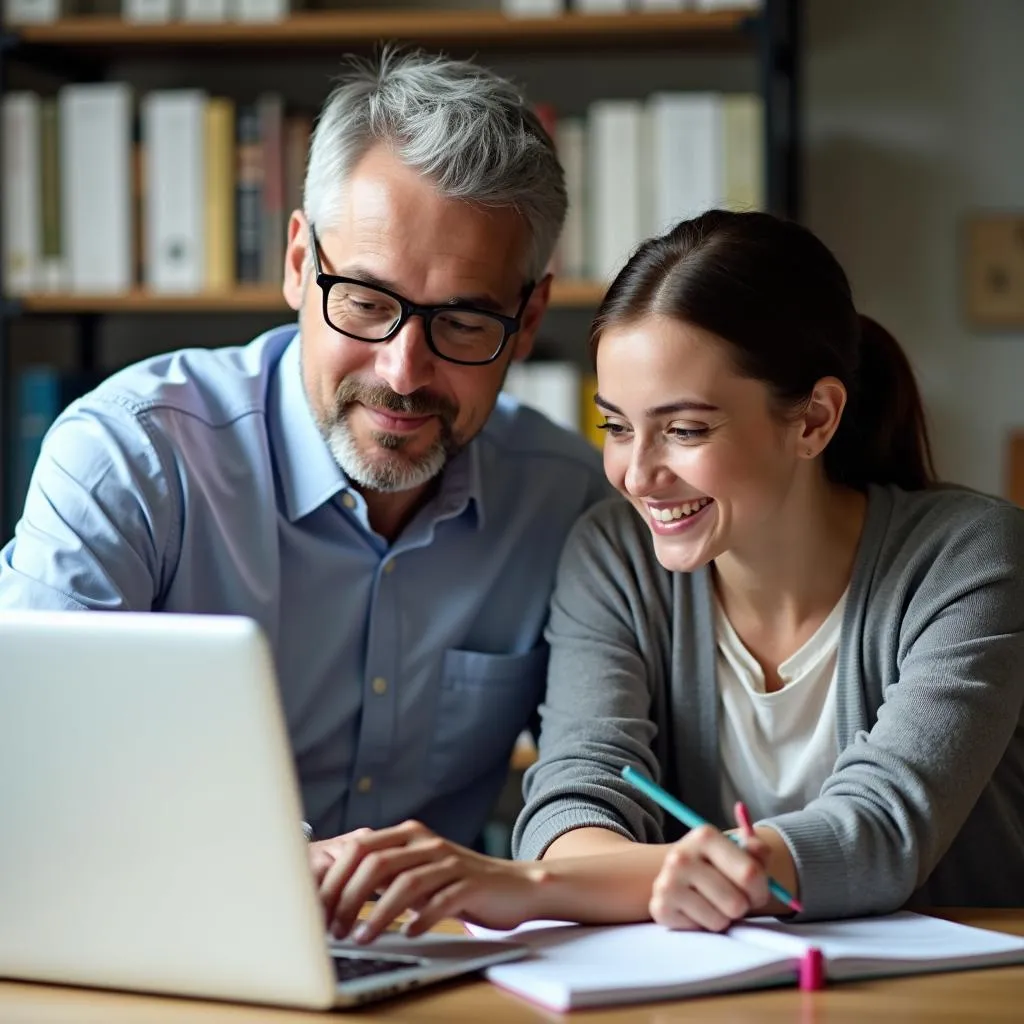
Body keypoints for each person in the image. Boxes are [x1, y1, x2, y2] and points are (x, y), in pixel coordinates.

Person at [310, 209, 1024, 945]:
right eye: (617, 427)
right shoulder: (615, 555)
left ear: (813, 419)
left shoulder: (972, 559)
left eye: (684, 430)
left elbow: (882, 826)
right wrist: (601, 871)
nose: (638, 476)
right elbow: (574, 803)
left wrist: (525, 886)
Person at [0, 49, 609, 868]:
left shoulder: (565, 500)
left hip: (426, 971)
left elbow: (593, 773)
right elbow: (31, 773)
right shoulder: (126, 459)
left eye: (463, 323)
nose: (402, 373)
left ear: (529, 320)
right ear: (299, 264)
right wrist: (282, 866)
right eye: (365, 302)